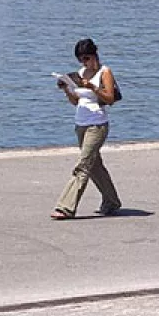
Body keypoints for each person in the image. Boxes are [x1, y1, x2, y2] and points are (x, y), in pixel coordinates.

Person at [52, 38, 122, 220]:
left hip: (97, 125)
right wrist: (67, 89)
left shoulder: (104, 72)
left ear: (95, 55)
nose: (84, 63)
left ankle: (66, 207)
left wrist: (92, 86)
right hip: (80, 124)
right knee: (94, 166)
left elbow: (110, 98)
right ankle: (111, 201)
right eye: (81, 60)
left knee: (83, 165)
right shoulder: (81, 73)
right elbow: (76, 101)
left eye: (87, 58)